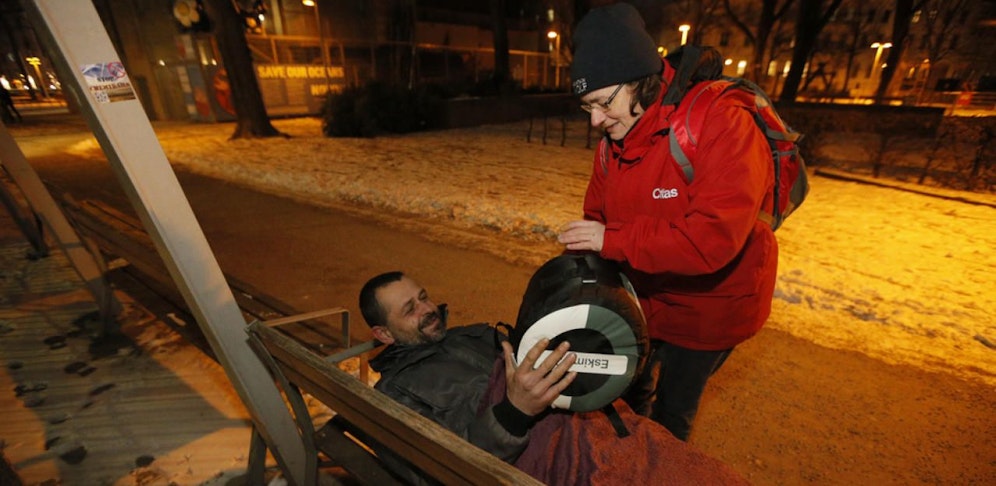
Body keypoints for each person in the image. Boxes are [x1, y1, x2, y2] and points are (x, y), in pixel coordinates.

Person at [557, 3, 778, 442]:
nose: (596, 121)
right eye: (587, 108)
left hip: (710, 309)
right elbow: (598, 218)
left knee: (671, 417)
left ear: (640, 80)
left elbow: (712, 239)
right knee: (623, 392)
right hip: (645, 299)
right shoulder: (613, 142)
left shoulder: (720, 122)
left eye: (603, 103)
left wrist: (612, 239)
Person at [359, 271, 750, 485]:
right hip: (542, 458)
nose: (427, 309)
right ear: (384, 335)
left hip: (591, 427)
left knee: (680, 463)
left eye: (424, 296)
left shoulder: (470, 334)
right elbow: (435, 468)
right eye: (410, 309)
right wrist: (512, 413)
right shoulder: (394, 394)